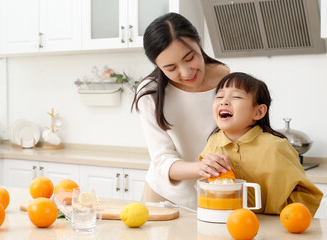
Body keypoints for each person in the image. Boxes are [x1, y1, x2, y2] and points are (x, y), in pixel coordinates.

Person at [132, 12, 231, 209]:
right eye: (170, 68)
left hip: (218, 193)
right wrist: (200, 167)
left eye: (190, 57)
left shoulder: (230, 81)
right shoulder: (150, 93)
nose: (186, 73)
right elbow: (162, 160)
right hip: (163, 196)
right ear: (158, 66)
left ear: (199, 43)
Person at [199, 72, 323, 215]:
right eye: (219, 96)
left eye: (236, 97)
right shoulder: (212, 143)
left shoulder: (276, 147)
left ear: (258, 112)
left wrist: (286, 218)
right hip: (226, 225)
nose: (223, 101)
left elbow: (307, 194)